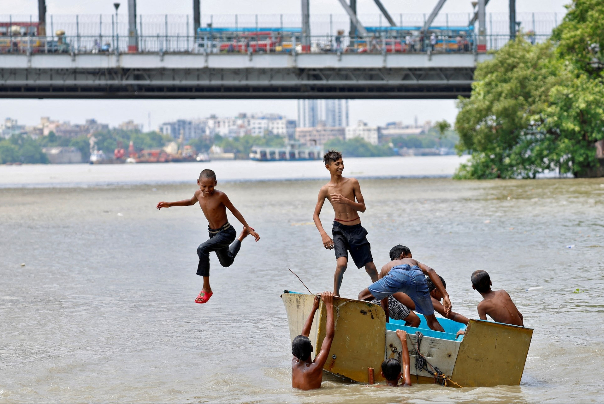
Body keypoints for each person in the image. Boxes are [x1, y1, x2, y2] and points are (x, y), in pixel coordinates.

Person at [156, 169, 260, 304]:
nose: (207, 189)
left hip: (226, 232)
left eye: (210, 186)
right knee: (226, 262)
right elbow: (189, 202)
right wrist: (169, 204)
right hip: (213, 234)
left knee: (202, 249)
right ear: (198, 183)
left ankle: (206, 288)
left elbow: (234, 211)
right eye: (204, 186)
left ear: (215, 183)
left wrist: (248, 226)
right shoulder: (198, 194)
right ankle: (242, 236)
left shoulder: (220, 196)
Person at [313, 150, 379, 297]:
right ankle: (336, 295)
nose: (341, 166)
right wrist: (324, 235)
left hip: (356, 229)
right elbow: (315, 215)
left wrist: (346, 201)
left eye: (342, 163)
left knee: (371, 267)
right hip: (340, 230)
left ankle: (383, 296)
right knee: (341, 264)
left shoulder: (352, 182)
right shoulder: (325, 190)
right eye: (337, 164)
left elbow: (362, 208)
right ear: (328, 167)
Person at [358, 244, 451, 332]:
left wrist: (386, 325)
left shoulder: (387, 269)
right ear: (403, 255)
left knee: (362, 296)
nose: (410, 259)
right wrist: (445, 295)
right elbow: (430, 270)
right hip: (392, 295)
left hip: (385, 297)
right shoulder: (410, 268)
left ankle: (359, 316)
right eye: (410, 257)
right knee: (424, 320)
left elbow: (384, 301)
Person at [292, 292, 335, 390]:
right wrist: (329, 305)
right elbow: (329, 336)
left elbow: (304, 334)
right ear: (311, 348)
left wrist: (314, 308)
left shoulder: (294, 362)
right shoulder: (314, 368)